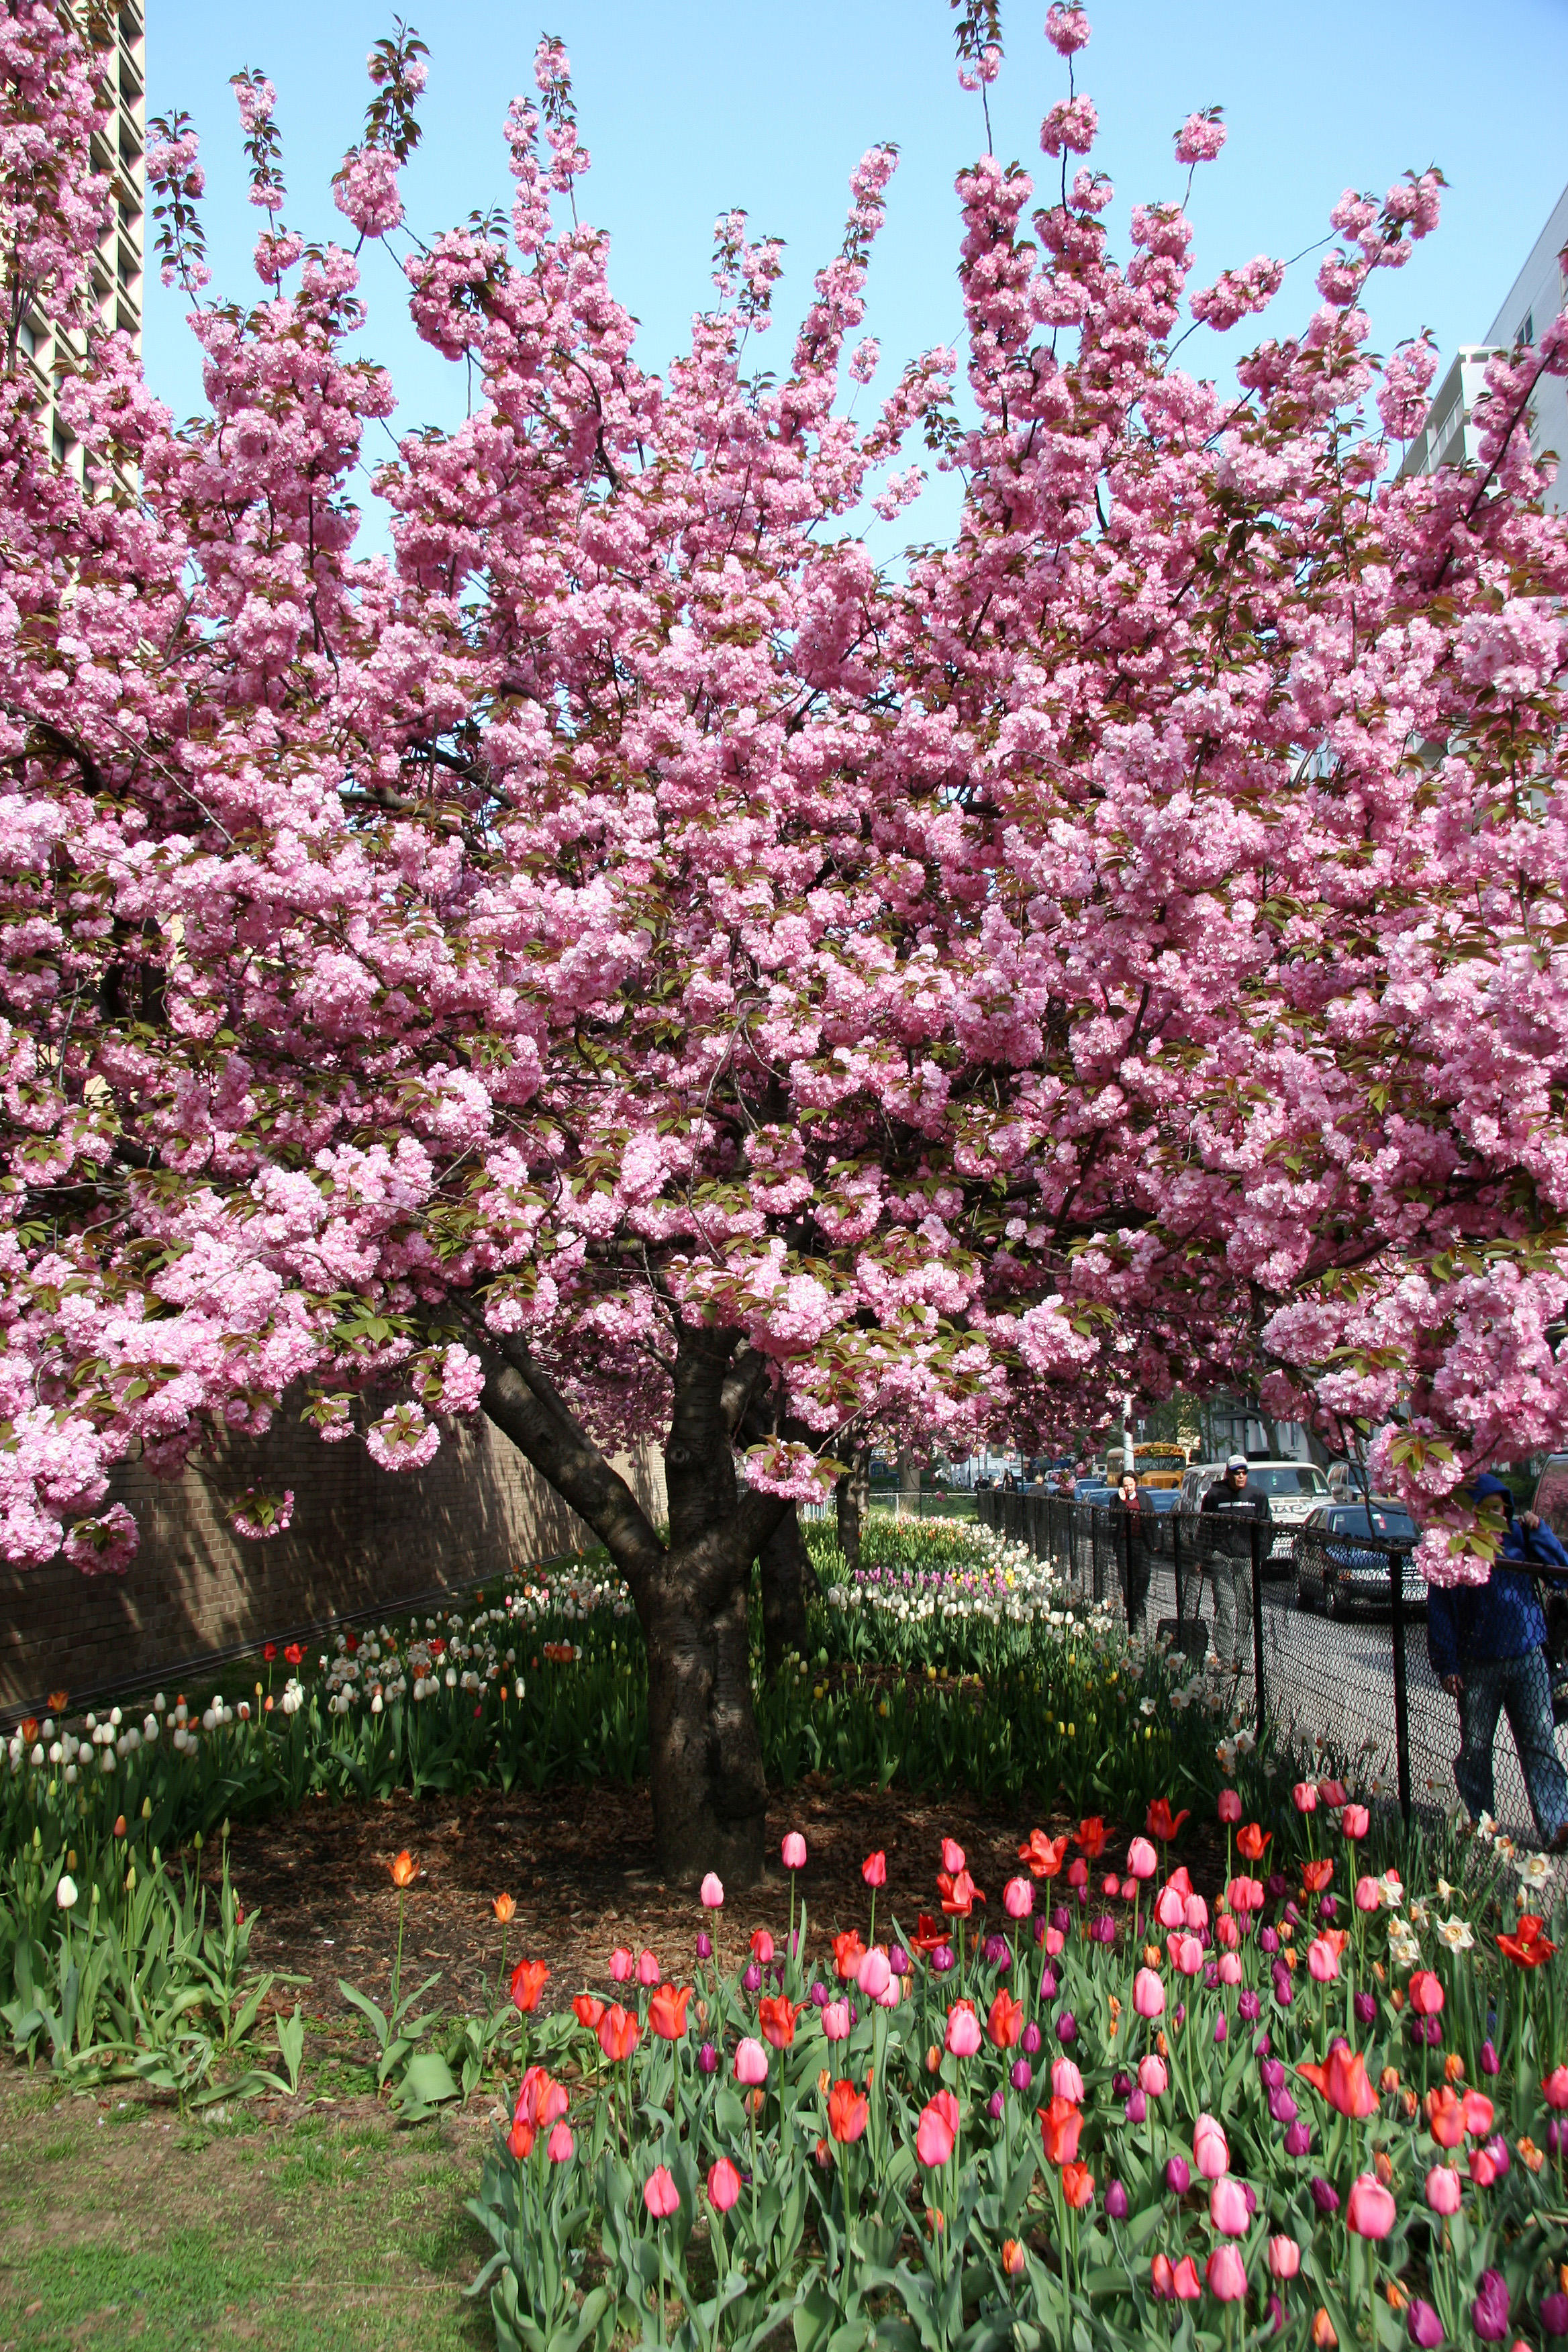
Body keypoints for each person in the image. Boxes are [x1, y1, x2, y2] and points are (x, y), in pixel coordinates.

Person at [1426, 1471, 1568, 1851]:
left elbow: (1562, 1575)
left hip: (1529, 1659)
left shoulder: (1520, 1537)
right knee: (1476, 1746)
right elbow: (1441, 1610)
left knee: (1539, 1744)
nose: (1496, 1515)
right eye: (1486, 1509)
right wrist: (1447, 1664)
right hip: (1478, 1664)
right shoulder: (1454, 1548)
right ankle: (1481, 1821)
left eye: (1500, 1508)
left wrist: (1538, 1532)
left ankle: (1558, 1825)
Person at [1199, 1455, 1271, 1673]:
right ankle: (1223, 1658)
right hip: (1222, 1557)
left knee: (1247, 1608)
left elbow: (1267, 1527)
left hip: (1246, 1558)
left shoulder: (1257, 1495)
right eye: (1236, 1472)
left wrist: (1261, 1554)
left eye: (1244, 1472)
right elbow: (1205, 1527)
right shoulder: (1214, 1495)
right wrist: (1203, 1557)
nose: (1241, 1476)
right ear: (1228, 1474)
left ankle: (1241, 1659)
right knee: (1224, 1606)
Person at [1112, 1471, 1153, 1636]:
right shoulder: (1116, 1500)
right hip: (1124, 1543)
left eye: (1131, 1484)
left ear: (1136, 1484)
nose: (1128, 1488)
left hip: (1141, 1543)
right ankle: (1133, 1608)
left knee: (1143, 1576)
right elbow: (1113, 1519)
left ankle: (1138, 1603)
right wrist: (1122, 1503)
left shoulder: (1144, 1498)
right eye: (1125, 1485)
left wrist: (1154, 1543)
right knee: (1126, 1578)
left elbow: (1152, 1518)